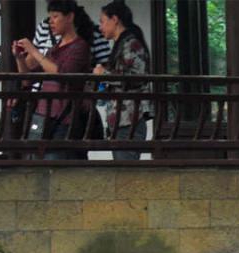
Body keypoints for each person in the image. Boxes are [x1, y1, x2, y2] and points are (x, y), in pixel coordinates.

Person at [12, 0, 94, 160]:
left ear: (70, 17)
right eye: (50, 17)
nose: (51, 22)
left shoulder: (80, 47)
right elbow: (27, 80)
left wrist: (34, 51)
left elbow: (62, 74)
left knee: (55, 164)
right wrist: (19, 58)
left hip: (64, 119)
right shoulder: (54, 50)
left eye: (55, 16)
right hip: (42, 116)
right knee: (35, 164)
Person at [93, 0, 151, 160]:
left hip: (129, 120)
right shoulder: (123, 44)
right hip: (122, 120)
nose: (100, 27)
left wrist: (104, 73)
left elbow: (136, 77)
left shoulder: (131, 44)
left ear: (115, 19)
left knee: (126, 170)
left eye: (102, 21)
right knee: (122, 168)